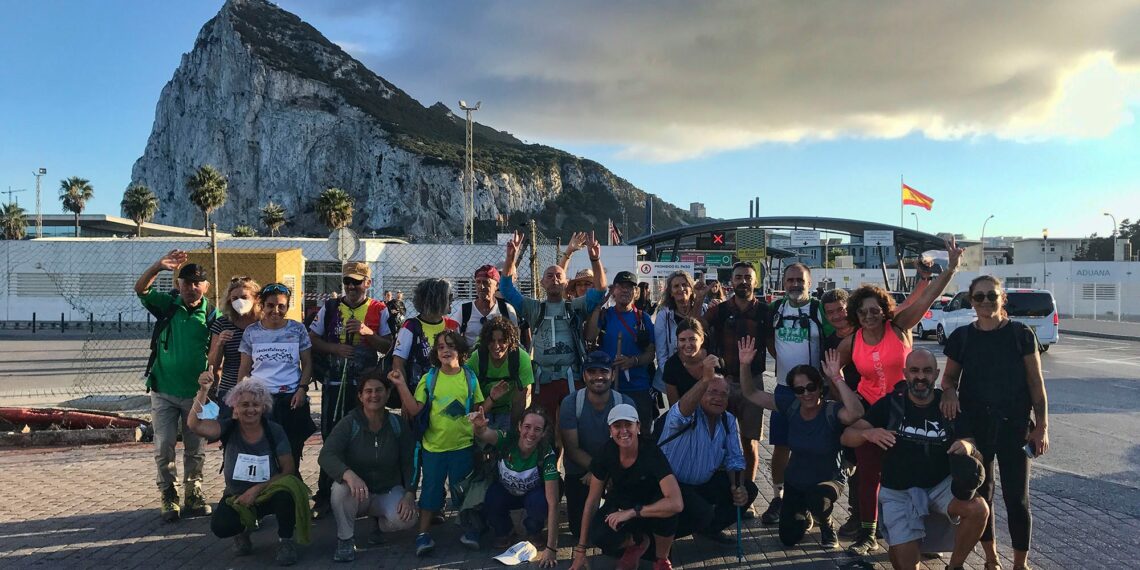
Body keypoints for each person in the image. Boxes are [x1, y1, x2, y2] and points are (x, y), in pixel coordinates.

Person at [837, 239, 963, 555]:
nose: (869, 316)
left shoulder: (899, 326)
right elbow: (829, 369)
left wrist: (950, 269)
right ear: (856, 314)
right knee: (869, 470)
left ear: (883, 310)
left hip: (907, 405)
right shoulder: (852, 341)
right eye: (863, 311)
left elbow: (929, 297)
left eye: (874, 310)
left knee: (918, 469)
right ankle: (867, 534)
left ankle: (925, 535)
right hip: (873, 410)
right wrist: (843, 395)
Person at [842, 349, 990, 570]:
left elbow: (973, 446)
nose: (920, 377)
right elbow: (847, 437)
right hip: (899, 492)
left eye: (927, 371)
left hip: (939, 486)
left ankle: (955, 566)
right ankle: (902, 546)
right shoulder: (890, 404)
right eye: (914, 371)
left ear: (936, 374)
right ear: (905, 373)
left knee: (979, 509)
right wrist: (868, 433)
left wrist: (967, 446)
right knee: (906, 564)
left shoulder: (947, 405)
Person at [940, 275, 1050, 570]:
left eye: (992, 296)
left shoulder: (1021, 334)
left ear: (1003, 299)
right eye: (979, 297)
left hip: (1014, 427)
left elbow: (1036, 385)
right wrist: (949, 392)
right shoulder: (962, 337)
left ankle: (1020, 564)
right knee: (982, 494)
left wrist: (1041, 427)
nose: (986, 301)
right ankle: (991, 558)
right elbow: (948, 377)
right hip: (976, 429)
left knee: (1017, 498)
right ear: (971, 300)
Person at [739, 339, 864, 548]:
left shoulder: (831, 411)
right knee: (788, 538)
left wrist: (836, 377)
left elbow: (856, 412)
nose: (806, 394)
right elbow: (751, 393)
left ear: (819, 387)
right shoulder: (791, 406)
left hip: (828, 481)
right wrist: (744, 365)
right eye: (799, 390)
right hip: (796, 483)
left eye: (811, 387)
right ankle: (805, 512)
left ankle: (826, 523)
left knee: (818, 499)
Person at [188, 376, 310, 566]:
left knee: (288, 494)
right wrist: (203, 391)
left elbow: (288, 469)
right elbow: (194, 425)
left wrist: (256, 489)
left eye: (255, 404)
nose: (250, 409)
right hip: (236, 496)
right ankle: (242, 532)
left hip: (269, 493)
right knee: (221, 526)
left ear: (263, 407)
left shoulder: (274, 430)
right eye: (244, 404)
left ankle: (285, 541)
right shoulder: (228, 427)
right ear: (235, 407)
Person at [308, 261, 395, 516]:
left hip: (366, 386)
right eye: (347, 281)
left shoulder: (380, 309)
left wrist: (367, 333)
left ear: (367, 283)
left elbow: (387, 346)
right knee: (332, 435)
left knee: (364, 435)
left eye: (357, 282)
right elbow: (312, 338)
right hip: (335, 382)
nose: (351, 286)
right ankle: (325, 495)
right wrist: (334, 348)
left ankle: (366, 492)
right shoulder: (331, 307)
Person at [389, 329, 485, 557]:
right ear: (435, 352)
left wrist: (485, 410)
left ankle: (470, 527)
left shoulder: (469, 378)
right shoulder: (429, 378)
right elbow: (414, 410)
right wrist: (401, 384)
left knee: (463, 491)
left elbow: (477, 409)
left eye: (451, 345)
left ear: (461, 352)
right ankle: (422, 534)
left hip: (462, 446)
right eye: (441, 346)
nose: (446, 350)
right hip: (433, 448)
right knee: (430, 492)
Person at [134, 250, 213, 522]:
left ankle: (194, 491)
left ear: (206, 286)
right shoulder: (167, 305)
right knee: (164, 444)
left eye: (197, 282)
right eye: (186, 282)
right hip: (163, 391)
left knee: (196, 447)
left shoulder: (213, 315)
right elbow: (141, 289)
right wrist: (158, 265)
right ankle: (169, 493)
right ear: (178, 284)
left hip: (197, 396)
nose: (191, 287)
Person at [500, 230, 605, 429]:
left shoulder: (575, 307)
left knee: (572, 428)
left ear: (566, 283)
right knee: (543, 429)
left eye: (559, 276)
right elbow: (506, 289)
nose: (555, 279)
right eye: (550, 276)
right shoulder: (533, 308)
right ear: (542, 283)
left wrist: (595, 259)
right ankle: (546, 459)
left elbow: (600, 290)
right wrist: (510, 259)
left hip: (571, 378)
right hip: (543, 380)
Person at [760, 263, 835, 525]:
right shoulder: (775, 308)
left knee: (815, 448)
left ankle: (816, 502)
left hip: (813, 393)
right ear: (783, 281)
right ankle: (779, 497)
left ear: (809, 282)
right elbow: (769, 338)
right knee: (781, 446)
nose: (794, 284)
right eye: (790, 279)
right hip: (783, 389)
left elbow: (833, 340)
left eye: (799, 280)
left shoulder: (818, 309)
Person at [570, 403, 683, 570]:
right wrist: (581, 550)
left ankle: (661, 559)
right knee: (599, 534)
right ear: (610, 431)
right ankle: (636, 543)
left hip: (651, 507)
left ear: (638, 427)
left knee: (669, 511)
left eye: (628, 425)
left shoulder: (652, 453)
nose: (623, 431)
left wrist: (633, 512)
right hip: (622, 504)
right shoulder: (606, 452)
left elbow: (676, 502)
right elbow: (592, 501)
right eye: (617, 426)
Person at [657, 353, 756, 543]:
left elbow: (734, 459)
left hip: (701, 484)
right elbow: (680, 410)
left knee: (749, 489)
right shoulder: (685, 413)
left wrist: (738, 485)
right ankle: (657, 539)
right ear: (701, 392)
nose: (718, 398)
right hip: (670, 486)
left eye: (723, 394)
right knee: (700, 513)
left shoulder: (728, 420)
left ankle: (709, 529)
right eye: (711, 392)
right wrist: (705, 380)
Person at [317, 374, 417, 562]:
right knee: (340, 490)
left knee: (407, 519)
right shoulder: (349, 423)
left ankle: (378, 523)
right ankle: (345, 539)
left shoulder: (397, 424)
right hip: (357, 493)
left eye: (379, 390)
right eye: (368, 391)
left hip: (387, 489)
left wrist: (410, 493)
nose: (374, 395)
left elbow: (410, 461)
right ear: (360, 396)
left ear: (388, 394)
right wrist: (348, 474)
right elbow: (326, 455)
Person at [700, 261, 769, 516]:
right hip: (725, 381)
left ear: (755, 281)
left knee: (749, 441)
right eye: (738, 277)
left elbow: (775, 344)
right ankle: (721, 491)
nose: (743, 281)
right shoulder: (719, 310)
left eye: (747, 277)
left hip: (753, 380)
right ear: (732, 281)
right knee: (717, 437)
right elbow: (696, 329)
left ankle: (746, 493)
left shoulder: (764, 311)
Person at [238, 283, 317, 474]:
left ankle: (290, 491)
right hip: (261, 400)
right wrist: (240, 398)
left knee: (291, 450)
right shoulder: (251, 332)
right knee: (263, 451)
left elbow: (307, 364)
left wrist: (302, 389)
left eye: (282, 306)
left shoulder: (297, 329)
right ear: (262, 306)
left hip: (291, 398)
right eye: (271, 305)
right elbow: (244, 368)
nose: (276, 310)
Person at [469, 406, 561, 568]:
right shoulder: (508, 439)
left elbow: (553, 503)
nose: (531, 433)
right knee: (491, 497)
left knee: (541, 503)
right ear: (519, 427)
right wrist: (479, 426)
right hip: (506, 492)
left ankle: (534, 530)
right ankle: (505, 529)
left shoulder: (546, 454)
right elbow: (485, 434)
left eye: (537, 429)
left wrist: (551, 548)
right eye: (527, 427)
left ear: (544, 433)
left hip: (532, 494)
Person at [559, 351, 634, 539]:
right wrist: (598, 472)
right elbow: (572, 449)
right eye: (592, 372)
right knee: (578, 530)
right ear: (584, 375)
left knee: (621, 527)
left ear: (613, 374)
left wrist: (603, 474)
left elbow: (630, 448)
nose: (598, 377)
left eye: (604, 371)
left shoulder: (625, 403)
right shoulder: (570, 403)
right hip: (582, 471)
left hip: (615, 470)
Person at [819, 287, 863, 539]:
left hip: (877, 405)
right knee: (852, 463)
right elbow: (832, 379)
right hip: (847, 407)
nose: (836, 316)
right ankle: (857, 514)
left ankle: (870, 516)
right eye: (830, 312)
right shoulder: (829, 342)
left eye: (840, 309)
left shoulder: (867, 332)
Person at [596, 270, 658, 424]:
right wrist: (597, 307)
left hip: (638, 387)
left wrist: (633, 361)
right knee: (609, 431)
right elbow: (590, 337)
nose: (625, 290)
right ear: (613, 291)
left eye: (630, 287)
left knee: (642, 433)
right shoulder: (604, 316)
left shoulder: (644, 319)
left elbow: (651, 353)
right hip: (608, 387)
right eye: (620, 286)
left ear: (636, 292)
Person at [203, 276, 261, 415]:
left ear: (256, 299)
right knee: (230, 431)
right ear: (229, 300)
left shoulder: (263, 324)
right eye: (235, 298)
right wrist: (220, 344)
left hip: (260, 389)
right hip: (230, 388)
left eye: (244, 297)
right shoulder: (222, 323)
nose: (240, 301)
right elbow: (212, 364)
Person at [391, 278, 459, 397]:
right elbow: (398, 364)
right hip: (419, 396)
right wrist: (405, 399)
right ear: (435, 300)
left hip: (449, 393)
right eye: (449, 296)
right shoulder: (410, 327)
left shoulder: (453, 326)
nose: (452, 299)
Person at [466, 316, 534, 430]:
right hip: (482, 410)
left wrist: (513, 432)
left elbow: (520, 400)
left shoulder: (521, 358)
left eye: (502, 341)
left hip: (509, 411)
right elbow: (470, 400)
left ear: (510, 341)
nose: (496, 346)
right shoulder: (476, 358)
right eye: (492, 341)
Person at [653, 270, 708, 399]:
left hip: (702, 376)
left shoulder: (705, 309)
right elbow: (661, 355)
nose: (681, 289)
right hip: (674, 379)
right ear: (670, 292)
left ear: (691, 288)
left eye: (685, 285)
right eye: (676, 286)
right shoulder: (664, 316)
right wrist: (672, 376)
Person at [451, 264, 519, 346]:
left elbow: (515, 341)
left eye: (486, 282)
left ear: (497, 285)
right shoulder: (465, 310)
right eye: (478, 282)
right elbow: (454, 340)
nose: (481, 287)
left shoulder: (506, 310)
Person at [661, 318, 709, 404]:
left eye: (692, 339)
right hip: (685, 415)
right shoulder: (671, 366)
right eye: (682, 340)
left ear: (702, 339)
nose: (688, 345)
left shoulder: (714, 360)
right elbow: (674, 408)